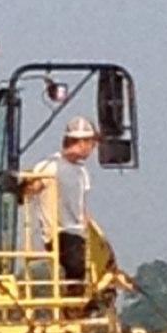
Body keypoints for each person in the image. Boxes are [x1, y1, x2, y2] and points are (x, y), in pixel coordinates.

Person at [18, 116, 98, 289]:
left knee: (98, 264)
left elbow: (81, 207)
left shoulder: (81, 172)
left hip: (77, 233)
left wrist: (92, 231)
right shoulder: (50, 166)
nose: (92, 149)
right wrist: (23, 187)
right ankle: (74, 302)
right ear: (82, 143)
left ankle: (86, 302)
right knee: (77, 263)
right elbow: (29, 191)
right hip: (57, 233)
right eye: (91, 143)